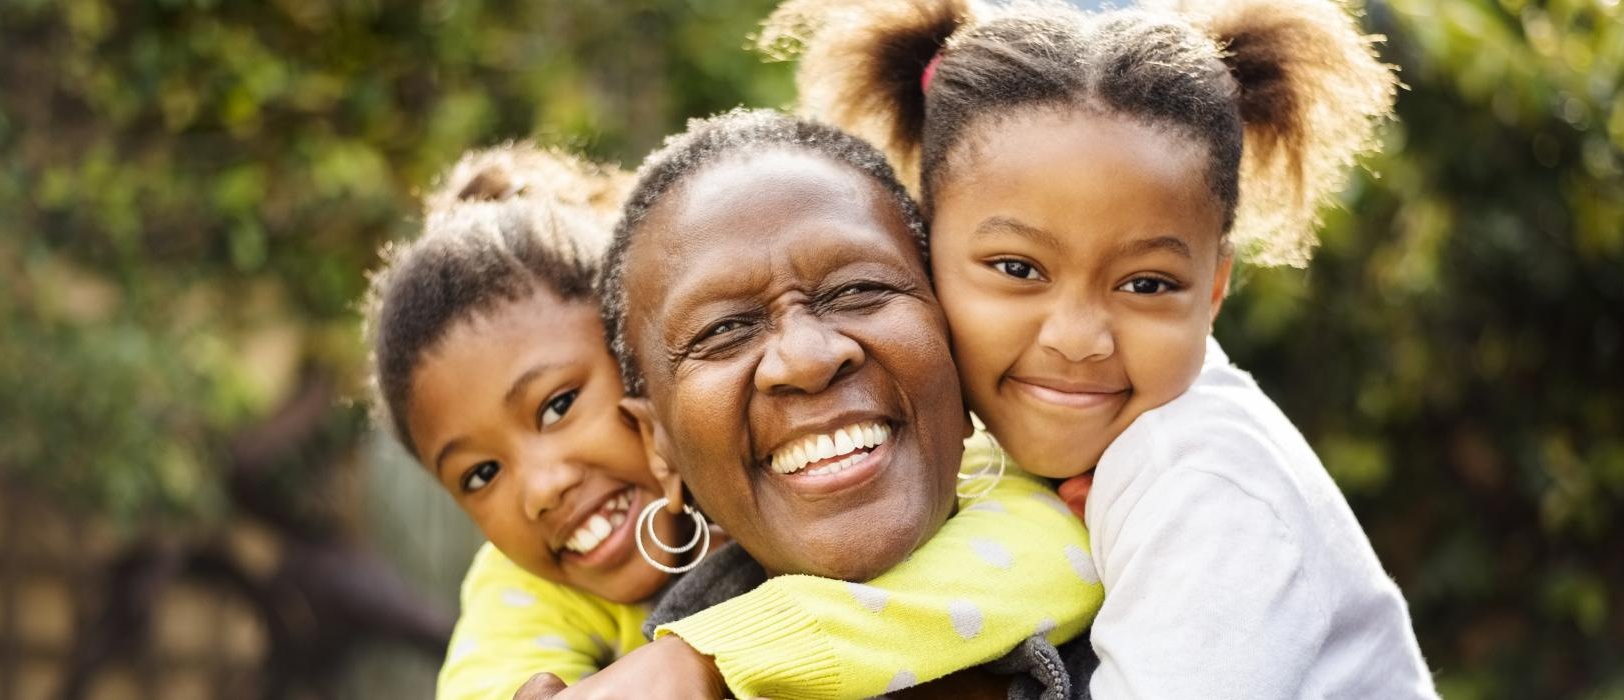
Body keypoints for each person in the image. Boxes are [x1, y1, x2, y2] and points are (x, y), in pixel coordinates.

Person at [763, 0, 1439, 696]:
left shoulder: (1206, 491)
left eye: (1146, 284)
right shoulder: (977, 440)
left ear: (1213, 290)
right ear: (924, 251)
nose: (1078, 339)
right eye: (1019, 269)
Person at [362, 143, 1100, 700]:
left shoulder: (957, 463)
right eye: (480, 474)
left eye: (558, 406)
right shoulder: (528, 589)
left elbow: (1058, 554)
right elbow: (490, 676)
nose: (542, 487)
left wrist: (713, 654)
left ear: (640, 378)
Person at [567, 108, 1101, 699]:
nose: (808, 358)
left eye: (858, 290)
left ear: (957, 344)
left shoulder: (1168, 579)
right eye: (723, 331)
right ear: (658, 447)